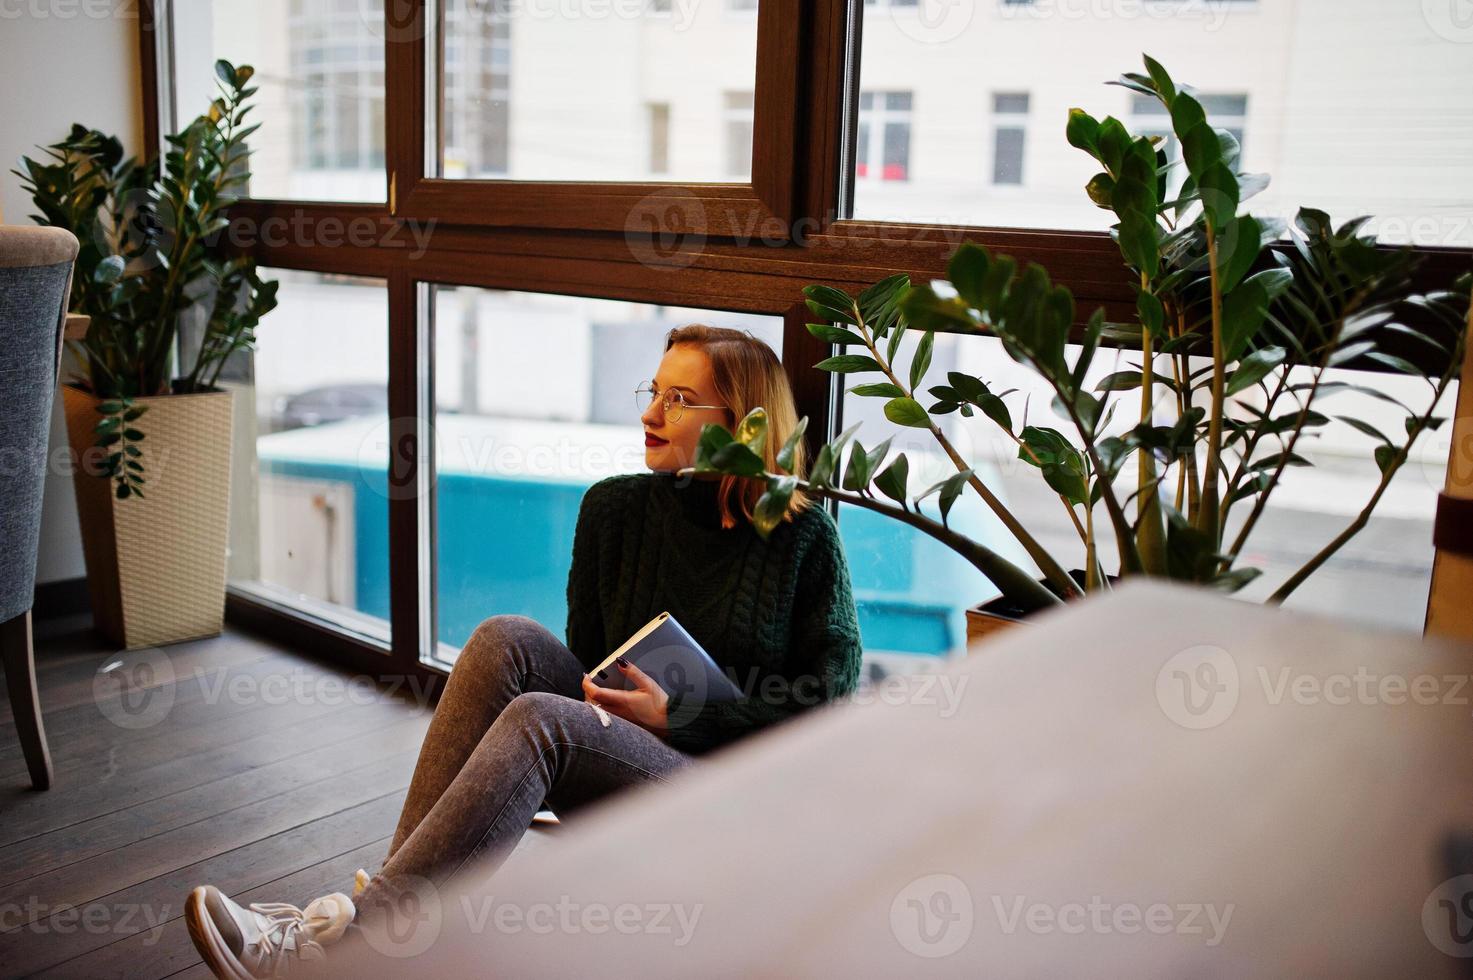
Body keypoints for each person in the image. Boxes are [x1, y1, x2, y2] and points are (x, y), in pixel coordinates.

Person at [183, 323, 864, 977]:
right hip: (633, 762)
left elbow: (830, 703)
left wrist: (684, 715)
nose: (650, 413)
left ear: (741, 422)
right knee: (503, 639)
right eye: (650, 391)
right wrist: (628, 704)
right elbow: (591, 660)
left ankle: (342, 946)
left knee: (543, 719)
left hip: (727, 795)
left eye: (678, 400)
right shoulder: (614, 510)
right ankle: (388, 920)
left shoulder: (803, 539)